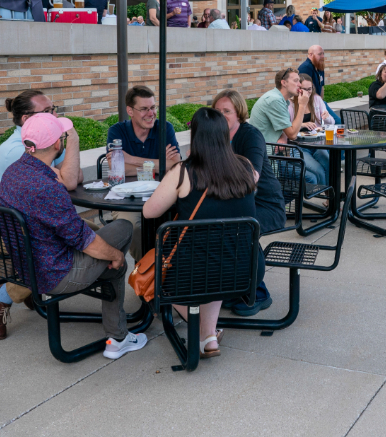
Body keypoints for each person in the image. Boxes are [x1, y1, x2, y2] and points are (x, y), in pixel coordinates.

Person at [0, 113, 147, 359]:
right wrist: (117, 255)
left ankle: (118, 333)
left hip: (27, 267)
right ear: (58, 144)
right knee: (122, 237)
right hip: (56, 273)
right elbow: (83, 241)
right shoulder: (48, 187)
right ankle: (118, 338)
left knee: (109, 243)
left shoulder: (14, 172)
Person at [143, 107, 261, 359]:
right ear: (224, 135)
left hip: (193, 273)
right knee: (216, 257)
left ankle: (202, 332)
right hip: (245, 269)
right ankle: (208, 338)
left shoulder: (184, 172)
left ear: (194, 137)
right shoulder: (247, 167)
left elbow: (149, 212)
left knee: (164, 280)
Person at [0, 89, 84, 339]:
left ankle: (30, 290)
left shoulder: (41, 141)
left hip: (31, 219)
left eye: (54, 109)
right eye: (47, 112)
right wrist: (74, 141)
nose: (55, 116)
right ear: (27, 119)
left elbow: (74, 177)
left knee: (91, 235)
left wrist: (67, 166)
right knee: (67, 247)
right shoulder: (16, 150)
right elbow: (69, 181)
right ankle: (2, 295)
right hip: (0, 227)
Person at [212, 89, 284, 315]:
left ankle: (258, 293)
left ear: (239, 114)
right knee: (211, 228)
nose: (221, 116)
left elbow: (252, 177)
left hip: (265, 205)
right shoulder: (214, 138)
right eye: (217, 111)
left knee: (239, 229)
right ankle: (231, 288)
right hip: (231, 205)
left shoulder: (250, 135)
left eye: (227, 111)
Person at [106, 86, 181, 259]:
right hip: (126, 198)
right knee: (133, 226)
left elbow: (175, 165)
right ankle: (146, 273)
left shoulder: (165, 128)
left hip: (163, 194)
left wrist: (131, 159)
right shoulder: (117, 131)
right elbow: (118, 169)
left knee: (178, 224)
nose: (151, 113)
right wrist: (160, 164)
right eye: (144, 109)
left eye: (153, 107)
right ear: (130, 111)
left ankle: (167, 271)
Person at [288, 74, 334, 185]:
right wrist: (303, 124)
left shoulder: (316, 99)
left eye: (310, 89)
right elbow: (287, 127)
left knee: (329, 164)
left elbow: (331, 123)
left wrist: (327, 118)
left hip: (317, 143)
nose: (308, 92)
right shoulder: (290, 104)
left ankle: (330, 199)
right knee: (318, 170)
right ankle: (325, 195)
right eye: (305, 89)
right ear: (298, 88)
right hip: (299, 146)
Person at [250, 67, 310, 144]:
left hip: (271, 149)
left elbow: (287, 128)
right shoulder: (274, 100)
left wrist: (283, 136)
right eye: (296, 81)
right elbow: (292, 135)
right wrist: (302, 105)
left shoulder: (279, 98)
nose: (299, 84)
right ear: (284, 83)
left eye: (299, 81)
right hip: (265, 152)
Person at [298, 44, 341, 124]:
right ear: (311, 54)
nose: (322, 56)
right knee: (337, 122)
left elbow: (321, 87)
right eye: (319, 54)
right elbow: (301, 88)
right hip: (308, 102)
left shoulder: (319, 66)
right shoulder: (305, 67)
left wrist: (320, 102)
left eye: (323, 53)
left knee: (336, 121)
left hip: (318, 101)